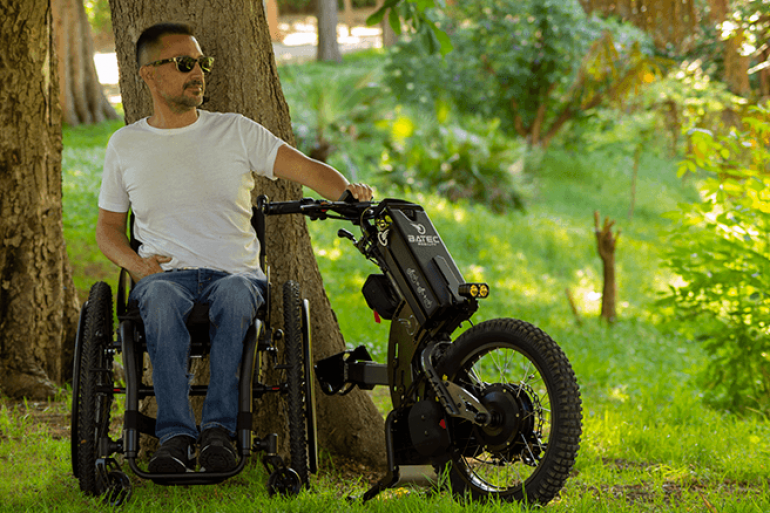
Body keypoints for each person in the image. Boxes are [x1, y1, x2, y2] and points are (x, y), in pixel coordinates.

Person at [95, 22, 372, 474]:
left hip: (236, 275)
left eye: (201, 63)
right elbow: (107, 229)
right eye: (184, 64)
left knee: (235, 295)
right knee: (160, 299)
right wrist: (135, 265)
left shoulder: (236, 132)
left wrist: (347, 193)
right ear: (149, 74)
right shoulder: (125, 145)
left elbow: (305, 170)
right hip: (164, 277)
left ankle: (219, 433)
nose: (198, 73)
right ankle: (175, 437)